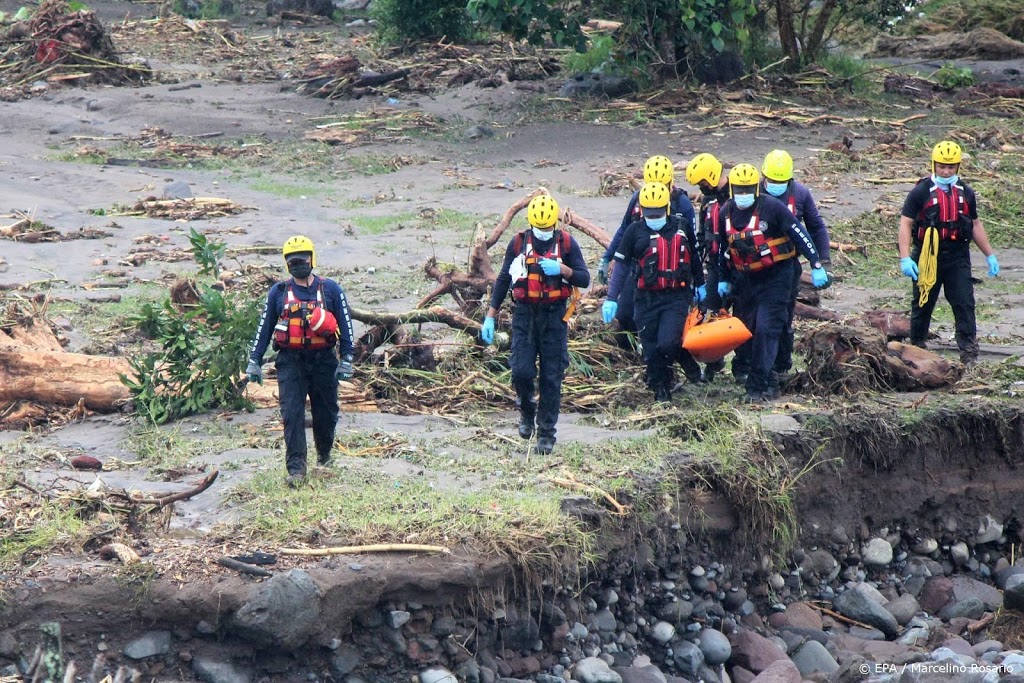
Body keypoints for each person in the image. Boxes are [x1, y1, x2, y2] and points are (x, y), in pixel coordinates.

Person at [481, 194, 590, 455]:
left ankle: (546, 433)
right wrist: (490, 316)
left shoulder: (566, 243)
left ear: (554, 223)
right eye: (538, 228)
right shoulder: (518, 243)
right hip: (524, 316)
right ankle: (527, 414)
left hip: (554, 318)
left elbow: (584, 278)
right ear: (530, 223)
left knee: (552, 378)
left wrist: (563, 270)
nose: (542, 233)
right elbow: (504, 280)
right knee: (521, 371)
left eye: (546, 228)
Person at [246, 235, 355, 487]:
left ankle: (325, 456)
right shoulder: (279, 292)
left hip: (324, 360)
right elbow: (265, 327)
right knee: (292, 414)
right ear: (287, 264)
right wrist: (255, 360)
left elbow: (346, 325)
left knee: (326, 412)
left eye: (303, 259)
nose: (298, 264)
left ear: (312, 259)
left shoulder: (330, 289)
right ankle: (296, 469)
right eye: (293, 261)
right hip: (290, 361)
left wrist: (347, 359)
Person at [713, 164, 828, 402]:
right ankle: (765, 376)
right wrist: (723, 279)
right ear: (732, 189)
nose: (743, 194)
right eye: (739, 189)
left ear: (756, 188)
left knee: (768, 328)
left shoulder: (772, 207)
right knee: (748, 331)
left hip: (778, 276)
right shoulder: (725, 212)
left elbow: (800, 234)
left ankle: (757, 386)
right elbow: (723, 250)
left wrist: (816, 263)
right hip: (746, 279)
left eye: (748, 189)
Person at [597, 156, 702, 384]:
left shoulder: (682, 211)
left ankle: (675, 360)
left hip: (674, 284)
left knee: (668, 339)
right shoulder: (638, 208)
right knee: (626, 317)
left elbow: (692, 249)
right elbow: (623, 234)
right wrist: (607, 261)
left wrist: (699, 283)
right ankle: (650, 368)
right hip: (642, 277)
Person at [898, 140, 999, 365]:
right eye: (942, 166)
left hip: (958, 255)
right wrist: (905, 258)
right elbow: (905, 224)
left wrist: (989, 255)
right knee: (923, 303)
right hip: (927, 255)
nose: (946, 171)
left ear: (958, 167)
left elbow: (975, 224)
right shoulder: (921, 192)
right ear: (934, 165)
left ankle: (969, 353)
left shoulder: (966, 193)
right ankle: (917, 348)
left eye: (951, 167)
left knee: (964, 302)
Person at [760, 149, 832, 383]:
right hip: (753, 268)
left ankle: (781, 366)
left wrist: (822, 262)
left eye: (781, 181)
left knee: (782, 318)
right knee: (752, 319)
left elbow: (817, 227)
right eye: (772, 180)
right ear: (763, 177)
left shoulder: (801, 194)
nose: (776, 185)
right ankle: (749, 366)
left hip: (787, 266)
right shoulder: (752, 193)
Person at [685, 152, 732, 382]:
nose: (701, 187)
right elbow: (702, 236)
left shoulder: (736, 194)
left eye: (703, 183)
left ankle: (744, 366)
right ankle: (714, 365)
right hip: (714, 265)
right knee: (711, 314)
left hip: (737, 266)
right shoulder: (707, 201)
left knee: (743, 315)